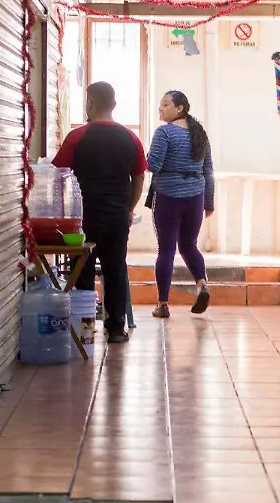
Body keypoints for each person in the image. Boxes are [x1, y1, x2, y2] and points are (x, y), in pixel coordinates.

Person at [51, 81, 145, 343]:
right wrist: (128, 208)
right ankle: (115, 329)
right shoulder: (131, 138)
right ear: (114, 104)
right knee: (115, 270)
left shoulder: (77, 136)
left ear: (89, 103)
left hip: (84, 218)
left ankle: (84, 331)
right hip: (117, 216)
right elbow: (139, 177)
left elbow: (58, 174)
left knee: (82, 269)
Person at [146, 90, 215, 318]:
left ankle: (163, 304)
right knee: (189, 246)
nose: (161, 108)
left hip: (168, 196)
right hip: (195, 196)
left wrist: (144, 157)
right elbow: (208, 171)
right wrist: (209, 202)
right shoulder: (200, 134)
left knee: (166, 249)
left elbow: (153, 165)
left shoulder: (164, 132)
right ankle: (202, 284)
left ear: (179, 109)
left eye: (166, 104)